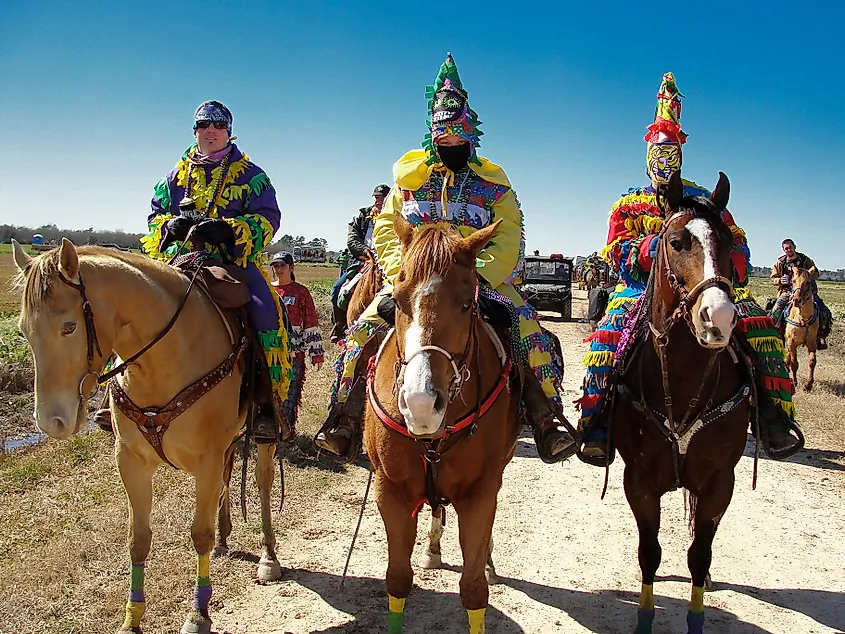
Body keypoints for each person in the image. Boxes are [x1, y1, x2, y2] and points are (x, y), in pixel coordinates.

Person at [315, 54, 576, 463]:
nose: (452, 146)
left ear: (471, 138)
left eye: (459, 140)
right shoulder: (410, 181)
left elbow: (509, 235)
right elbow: (387, 227)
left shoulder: (493, 184)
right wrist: (403, 272)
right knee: (360, 334)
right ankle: (343, 417)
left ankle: (546, 418)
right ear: (432, 139)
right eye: (444, 141)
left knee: (528, 330)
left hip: (479, 280)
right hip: (414, 280)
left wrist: (481, 278)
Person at [576, 73, 802, 463]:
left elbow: (737, 238)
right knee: (608, 338)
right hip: (639, 289)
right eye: (658, 155)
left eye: (671, 154)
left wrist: (730, 264)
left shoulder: (702, 199)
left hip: (704, 282)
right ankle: (598, 421)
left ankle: (772, 417)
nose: (664, 161)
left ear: (681, 155)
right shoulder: (628, 204)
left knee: (760, 328)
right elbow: (615, 250)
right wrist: (654, 249)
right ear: (647, 157)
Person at [141, 100, 292, 443]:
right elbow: (154, 218)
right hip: (182, 260)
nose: (210, 131)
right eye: (203, 126)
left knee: (267, 313)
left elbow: (270, 219)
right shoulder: (174, 176)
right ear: (195, 131)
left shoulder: (253, 175)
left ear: (228, 132)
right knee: (136, 301)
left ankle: (266, 406)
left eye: (217, 126)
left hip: (233, 263)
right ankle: (114, 396)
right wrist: (170, 227)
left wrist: (230, 230)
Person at [329, 184, 391, 343]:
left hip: (389, 262)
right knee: (338, 290)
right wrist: (365, 252)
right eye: (376, 197)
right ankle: (340, 325)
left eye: (382, 198)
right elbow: (352, 238)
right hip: (363, 261)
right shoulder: (362, 216)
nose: (379, 201)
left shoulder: (396, 216)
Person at [270, 251, 325, 430]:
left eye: (282, 266)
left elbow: (310, 322)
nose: (279, 270)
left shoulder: (301, 292)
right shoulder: (268, 290)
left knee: (289, 396)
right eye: (276, 266)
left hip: (294, 353)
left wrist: (316, 353)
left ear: (291, 267)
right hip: (271, 352)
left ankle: (285, 431)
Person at [769, 239, 831, 348]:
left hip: (806, 292)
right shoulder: (780, 262)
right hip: (787, 291)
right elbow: (773, 278)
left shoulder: (805, 259)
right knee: (775, 311)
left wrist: (809, 274)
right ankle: (777, 335)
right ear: (783, 250)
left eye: (790, 247)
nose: (789, 250)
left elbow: (816, 274)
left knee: (824, 311)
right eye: (786, 248)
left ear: (794, 247)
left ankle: (820, 336)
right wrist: (779, 280)